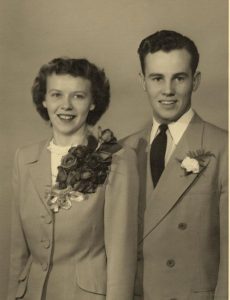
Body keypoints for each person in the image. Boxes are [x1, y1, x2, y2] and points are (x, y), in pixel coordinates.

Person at [7, 57, 139, 300]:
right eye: (56, 95)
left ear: (92, 102)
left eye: (78, 96)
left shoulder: (117, 158)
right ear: (44, 100)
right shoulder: (23, 159)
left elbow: (122, 254)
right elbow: (18, 252)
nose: (65, 105)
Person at [122, 30, 228, 300]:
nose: (167, 90)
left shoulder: (224, 147)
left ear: (196, 81)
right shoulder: (121, 151)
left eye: (179, 78)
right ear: (142, 81)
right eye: (157, 78)